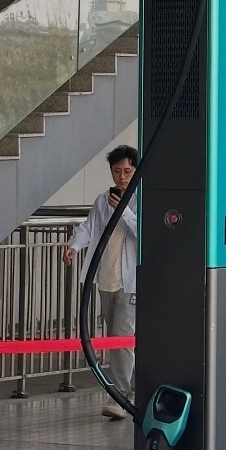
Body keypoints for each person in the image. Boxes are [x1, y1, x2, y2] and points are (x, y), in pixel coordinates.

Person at [65, 144, 138, 420]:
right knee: (119, 337)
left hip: (130, 283)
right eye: (117, 171)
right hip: (106, 279)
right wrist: (74, 246)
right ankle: (134, 387)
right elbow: (89, 227)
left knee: (121, 336)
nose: (122, 177)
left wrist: (125, 211)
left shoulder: (141, 199)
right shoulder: (102, 200)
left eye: (127, 171)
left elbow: (144, 231)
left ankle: (120, 395)